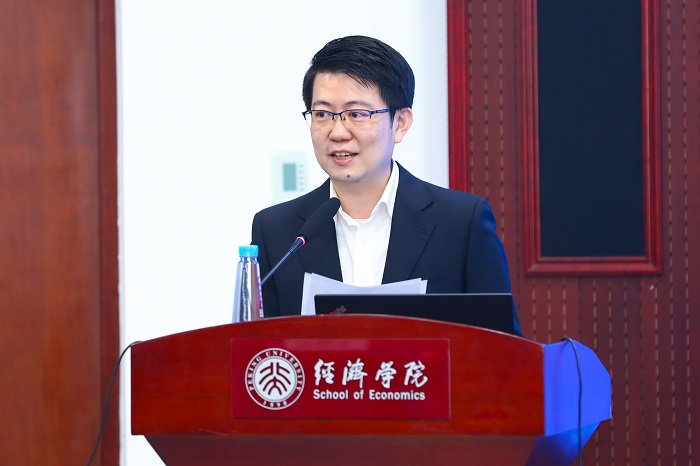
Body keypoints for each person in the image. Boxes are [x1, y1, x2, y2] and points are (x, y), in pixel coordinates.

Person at [251, 35, 521, 335]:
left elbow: (506, 353)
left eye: (357, 114)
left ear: (401, 122)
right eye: (323, 115)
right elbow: (259, 355)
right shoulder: (277, 231)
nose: (338, 132)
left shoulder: (460, 223)